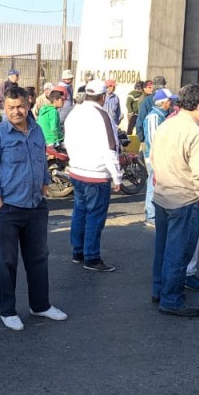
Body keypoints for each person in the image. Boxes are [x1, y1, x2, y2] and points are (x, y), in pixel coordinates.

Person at [0, 85, 68, 331]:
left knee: (39, 258)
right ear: (4, 107)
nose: (16, 111)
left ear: (28, 104)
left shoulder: (37, 130)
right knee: (7, 261)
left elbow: (41, 162)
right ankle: (8, 311)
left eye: (20, 106)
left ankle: (40, 305)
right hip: (8, 209)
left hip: (35, 206)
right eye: (10, 107)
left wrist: (45, 186)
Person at [150, 84, 199, 318]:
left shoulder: (166, 124)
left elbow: (153, 159)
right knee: (178, 253)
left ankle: (159, 290)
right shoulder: (195, 133)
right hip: (185, 198)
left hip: (163, 195)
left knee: (163, 248)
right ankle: (171, 299)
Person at [63, 80, 122, 273]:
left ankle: (78, 252)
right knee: (95, 217)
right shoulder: (103, 115)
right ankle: (92, 257)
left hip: (77, 171)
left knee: (80, 212)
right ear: (103, 96)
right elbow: (111, 148)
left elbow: (67, 142)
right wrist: (117, 177)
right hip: (96, 174)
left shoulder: (74, 112)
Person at [142, 88, 173, 228]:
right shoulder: (154, 117)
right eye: (169, 100)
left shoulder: (164, 115)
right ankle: (151, 216)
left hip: (162, 157)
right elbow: (152, 140)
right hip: (155, 157)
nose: (171, 103)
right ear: (163, 102)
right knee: (153, 185)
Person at [136, 76, 166, 145]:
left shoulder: (147, 100)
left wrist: (142, 139)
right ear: (164, 85)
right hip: (165, 140)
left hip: (148, 138)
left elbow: (140, 121)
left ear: (153, 86)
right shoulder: (169, 100)